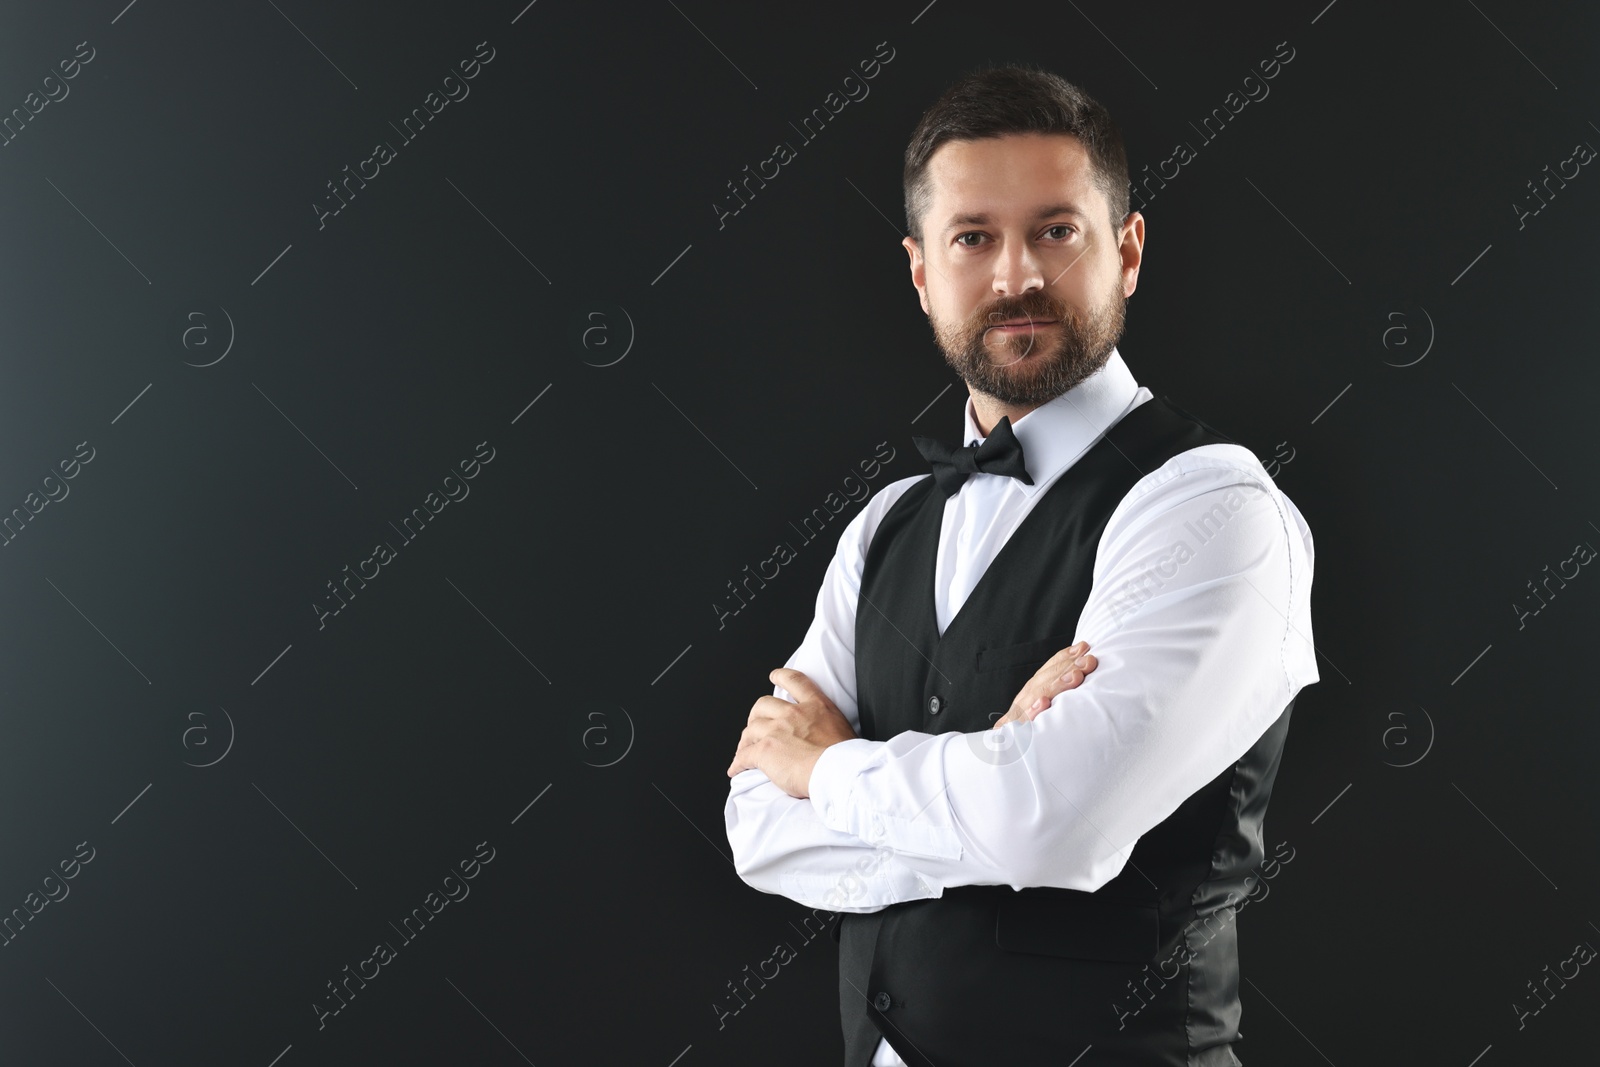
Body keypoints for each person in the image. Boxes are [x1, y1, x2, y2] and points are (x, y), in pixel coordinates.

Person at [723, 63, 1318, 1066]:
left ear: (1125, 251)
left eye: (1055, 229)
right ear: (920, 274)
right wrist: (991, 782)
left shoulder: (1213, 504)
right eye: (973, 238)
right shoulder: (883, 524)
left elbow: (1058, 824)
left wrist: (824, 766)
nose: (1014, 276)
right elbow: (757, 831)